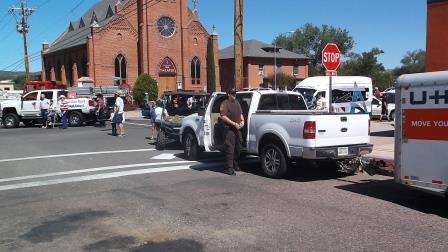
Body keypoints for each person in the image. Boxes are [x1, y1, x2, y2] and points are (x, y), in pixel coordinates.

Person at [220, 88, 244, 176]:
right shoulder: (225, 103)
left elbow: (241, 114)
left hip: (237, 129)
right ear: (228, 94)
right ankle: (228, 168)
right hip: (229, 129)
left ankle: (235, 164)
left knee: (238, 148)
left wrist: (242, 121)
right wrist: (233, 123)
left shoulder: (237, 103)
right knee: (230, 148)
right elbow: (223, 116)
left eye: (235, 93)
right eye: (232, 93)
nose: (234, 95)